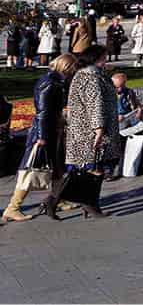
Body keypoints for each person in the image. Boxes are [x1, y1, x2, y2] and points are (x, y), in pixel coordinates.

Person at [46, 45, 121, 219]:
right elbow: (95, 104)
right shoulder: (90, 77)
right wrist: (99, 129)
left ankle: (62, 201)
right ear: (96, 58)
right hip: (90, 132)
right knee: (93, 169)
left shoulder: (93, 75)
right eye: (104, 57)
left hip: (90, 130)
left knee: (92, 169)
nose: (106, 60)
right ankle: (86, 204)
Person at [3, 54, 77, 222]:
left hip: (51, 128)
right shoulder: (50, 83)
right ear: (67, 67)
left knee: (57, 166)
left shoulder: (55, 80)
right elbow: (43, 112)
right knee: (31, 169)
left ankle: (58, 198)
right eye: (72, 68)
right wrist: (42, 137)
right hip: (45, 131)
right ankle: (12, 207)